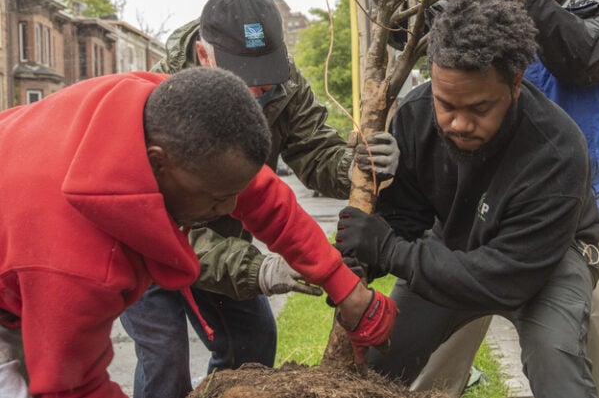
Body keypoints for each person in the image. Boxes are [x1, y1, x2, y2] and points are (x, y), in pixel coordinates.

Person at [375, 0, 599, 398]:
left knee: (596, 368)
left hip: (570, 214)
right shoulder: (487, 0)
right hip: (469, 216)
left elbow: (587, 60)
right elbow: (427, 36)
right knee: (423, 369)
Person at [0, 67, 396, 398]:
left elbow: (263, 197)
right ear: (158, 164)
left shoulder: (163, 111)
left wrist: (345, 287)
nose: (229, 210)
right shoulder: (76, 263)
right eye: (218, 198)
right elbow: (72, 387)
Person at [120, 0, 399, 398]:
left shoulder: (283, 83)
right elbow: (167, 226)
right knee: (165, 357)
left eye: (265, 80)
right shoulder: (159, 103)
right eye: (244, 81)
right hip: (148, 240)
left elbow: (309, 155)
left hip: (226, 233)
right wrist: (259, 270)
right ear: (203, 55)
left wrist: (359, 168)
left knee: (253, 341)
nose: (258, 92)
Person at [335, 0, 599, 398]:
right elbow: (405, 219)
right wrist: (365, 252)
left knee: (557, 366)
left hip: (547, 257)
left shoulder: (556, 148)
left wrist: (392, 251)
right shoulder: (416, 115)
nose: (458, 123)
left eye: (479, 108)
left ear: (515, 83)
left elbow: (506, 278)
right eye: (447, 105)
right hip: (455, 240)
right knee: (381, 358)